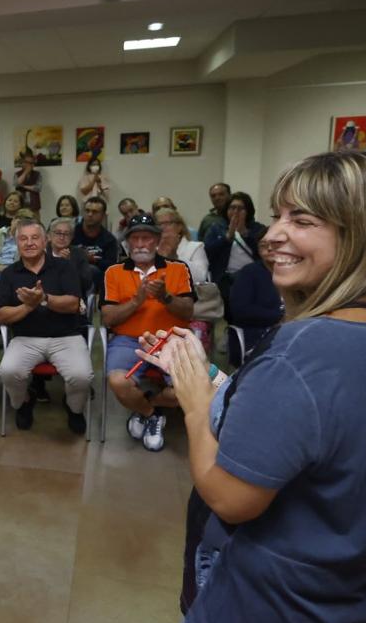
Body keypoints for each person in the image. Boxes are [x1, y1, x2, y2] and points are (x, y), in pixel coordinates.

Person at [138, 150, 366, 623]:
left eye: (302, 222)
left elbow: (232, 496)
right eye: (279, 216)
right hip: (343, 607)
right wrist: (215, 382)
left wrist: (191, 401)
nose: (271, 236)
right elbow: (313, 427)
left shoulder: (307, 352)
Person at [101, 213, 196, 452]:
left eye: (147, 237)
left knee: (186, 390)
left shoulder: (178, 269)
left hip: (171, 339)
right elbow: (108, 318)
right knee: (117, 381)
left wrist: (164, 297)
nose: (141, 244)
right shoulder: (114, 271)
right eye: (135, 238)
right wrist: (137, 301)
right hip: (128, 340)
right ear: (128, 242)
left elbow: (187, 313)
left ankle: (146, 408)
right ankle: (152, 414)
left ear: (157, 240)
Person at [0, 219, 93, 434]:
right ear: (17, 242)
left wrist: (44, 298)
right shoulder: (10, 274)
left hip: (66, 337)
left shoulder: (64, 267)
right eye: (23, 238)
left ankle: (74, 408)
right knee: (9, 372)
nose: (29, 243)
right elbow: (1, 315)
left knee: (82, 376)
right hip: (26, 338)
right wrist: (29, 307)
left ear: (45, 240)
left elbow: (73, 304)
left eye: (34, 237)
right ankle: (24, 402)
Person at [156, 207, 214, 352]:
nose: (163, 228)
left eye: (167, 223)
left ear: (179, 226)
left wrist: (175, 257)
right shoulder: (152, 248)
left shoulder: (195, 247)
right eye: (159, 224)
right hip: (158, 306)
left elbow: (200, 276)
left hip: (190, 307)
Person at [226, 237, 284, 366]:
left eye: (275, 245)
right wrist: (280, 317)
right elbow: (241, 310)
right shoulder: (249, 273)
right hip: (258, 333)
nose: (269, 249)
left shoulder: (292, 271)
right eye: (264, 246)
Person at [204, 191, 267, 296]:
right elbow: (208, 253)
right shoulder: (217, 228)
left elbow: (265, 253)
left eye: (241, 208)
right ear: (227, 210)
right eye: (232, 208)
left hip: (253, 279)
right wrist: (227, 238)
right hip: (225, 281)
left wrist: (245, 234)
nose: (236, 212)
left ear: (248, 211)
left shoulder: (258, 229)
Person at [73, 197, 120, 293]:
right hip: (72, 272)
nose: (90, 214)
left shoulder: (109, 239)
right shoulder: (72, 233)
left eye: (95, 212)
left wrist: (93, 260)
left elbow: (111, 266)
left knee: (91, 270)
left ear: (103, 216)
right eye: (87, 211)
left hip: (97, 279)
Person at [0, 208, 36, 276]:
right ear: (13, 220)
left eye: (23, 225)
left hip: (16, 275)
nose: (19, 227)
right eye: (18, 222)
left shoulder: (27, 240)